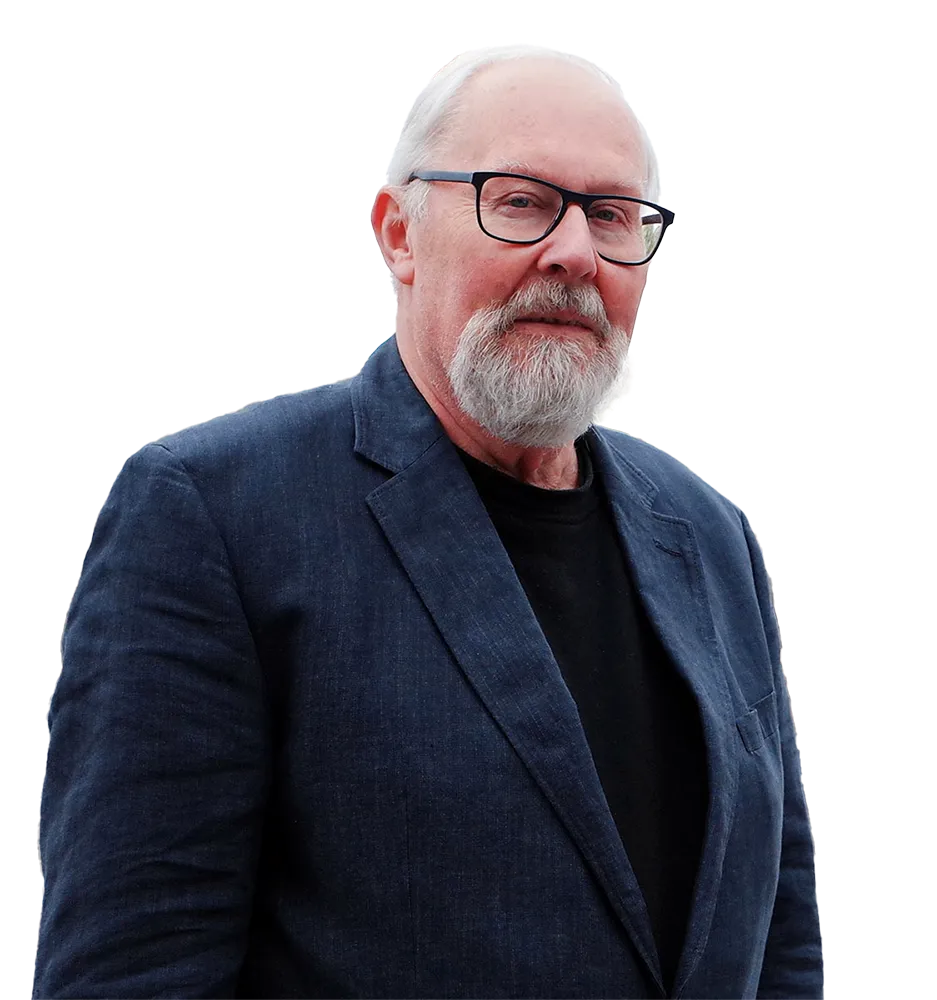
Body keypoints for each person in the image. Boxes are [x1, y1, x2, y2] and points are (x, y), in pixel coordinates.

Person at [35, 44, 824, 999]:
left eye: (613, 215)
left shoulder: (709, 539)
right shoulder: (212, 515)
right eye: (521, 199)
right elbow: (132, 973)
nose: (574, 252)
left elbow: (780, 948)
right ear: (398, 233)